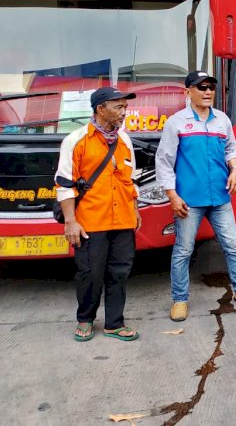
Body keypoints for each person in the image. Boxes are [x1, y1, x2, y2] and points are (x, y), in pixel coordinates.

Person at [156, 71, 236, 322]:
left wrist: (235, 169)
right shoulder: (176, 122)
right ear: (188, 92)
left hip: (220, 197)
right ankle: (180, 299)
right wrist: (172, 195)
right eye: (201, 87)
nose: (207, 92)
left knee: (233, 246)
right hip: (188, 200)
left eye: (211, 88)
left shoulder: (222, 120)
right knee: (183, 251)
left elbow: (231, 149)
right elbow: (164, 161)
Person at [55, 87, 141, 342]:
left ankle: (115, 323)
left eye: (125, 107)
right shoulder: (76, 140)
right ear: (100, 109)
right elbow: (64, 184)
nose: (124, 112)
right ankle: (85, 319)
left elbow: (131, 179)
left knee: (120, 271)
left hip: (123, 219)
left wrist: (134, 210)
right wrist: (70, 221)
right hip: (90, 220)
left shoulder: (124, 141)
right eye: (118, 107)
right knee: (90, 272)